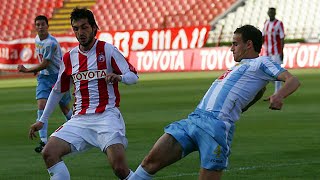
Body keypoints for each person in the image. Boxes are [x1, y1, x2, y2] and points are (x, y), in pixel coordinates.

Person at [128, 25, 300, 180]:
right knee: (150, 163)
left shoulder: (262, 62)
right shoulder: (237, 66)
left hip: (215, 128)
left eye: (235, 44)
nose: (231, 49)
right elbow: (250, 95)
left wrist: (279, 95)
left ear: (249, 44)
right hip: (193, 120)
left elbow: (292, 80)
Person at [28, 7, 139, 180]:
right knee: (49, 152)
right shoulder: (69, 57)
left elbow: (133, 76)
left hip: (106, 116)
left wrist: (119, 77)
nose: (80, 32)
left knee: (119, 168)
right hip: (79, 120)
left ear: (94, 28)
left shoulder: (108, 50)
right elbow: (58, 90)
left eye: (84, 27)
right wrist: (42, 120)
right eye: (76, 28)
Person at [18, 15, 72, 153]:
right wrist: (38, 71)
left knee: (64, 108)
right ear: (35, 27)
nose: (40, 27)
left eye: (43, 24)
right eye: (38, 24)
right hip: (44, 77)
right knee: (42, 105)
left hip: (58, 77)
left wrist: (27, 70)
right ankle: (43, 141)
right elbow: (42, 61)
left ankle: (77, 130)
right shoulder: (37, 39)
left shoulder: (50, 43)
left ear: (48, 26)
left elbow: (45, 63)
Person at [262, 7, 285, 94]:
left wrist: (282, 51)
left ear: (275, 13)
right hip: (267, 51)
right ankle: (278, 82)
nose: (271, 14)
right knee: (266, 71)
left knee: (277, 71)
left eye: (272, 12)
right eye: (269, 12)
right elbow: (263, 36)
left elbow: (282, 37)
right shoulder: (266, 23)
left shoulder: (279, 24)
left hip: (276, 52)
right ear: (268, 13)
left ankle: (277, 91)